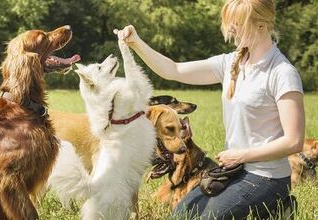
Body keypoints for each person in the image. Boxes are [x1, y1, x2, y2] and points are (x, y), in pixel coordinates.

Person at [115, 0, 305, 219]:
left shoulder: (282, 73)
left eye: (237, 22)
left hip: (266, 177)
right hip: (234, 171)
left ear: (261, 25)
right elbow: (173, 70)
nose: (231, 29)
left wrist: (241, 155)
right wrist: (136, 42)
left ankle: (276, 203)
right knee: (180, 215)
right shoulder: (231, 63)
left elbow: (294, 141)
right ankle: (272, 211)